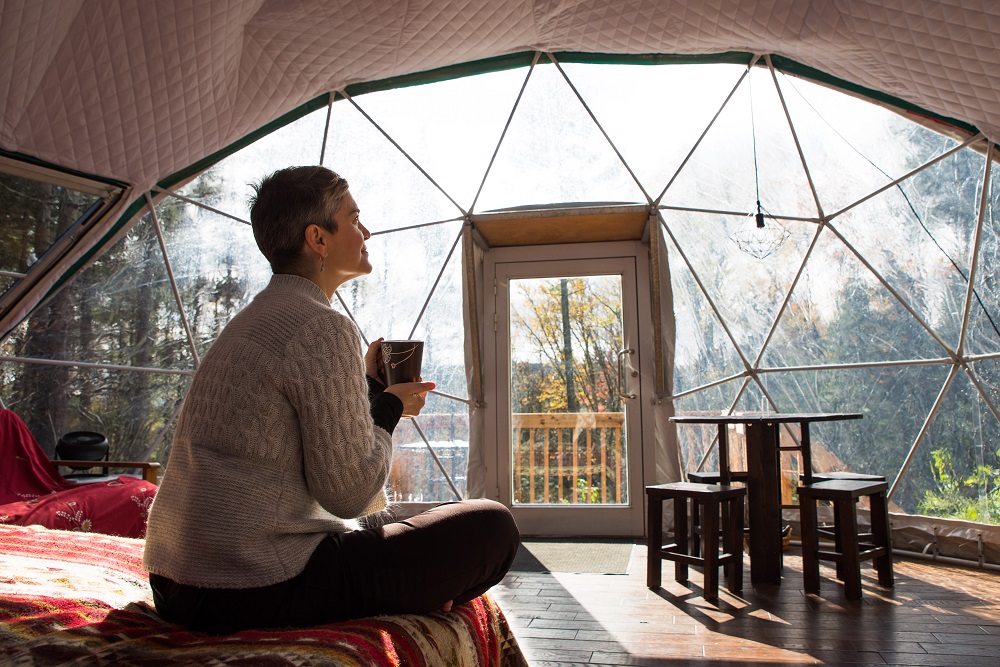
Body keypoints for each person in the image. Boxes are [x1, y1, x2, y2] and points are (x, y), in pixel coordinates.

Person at [142, 165, 519, 634]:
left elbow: (312, 455)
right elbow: (350, 495)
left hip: (178, 583)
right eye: (355, 218)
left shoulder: (254, 320)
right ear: (318, 239)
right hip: (251, 587)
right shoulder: (322, 326)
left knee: (421, 528)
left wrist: (368, 389)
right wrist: (390, 406)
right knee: (492, 527)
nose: (366, 230)